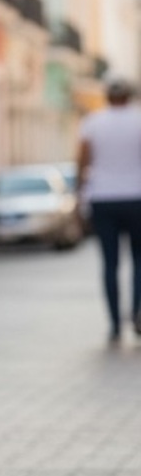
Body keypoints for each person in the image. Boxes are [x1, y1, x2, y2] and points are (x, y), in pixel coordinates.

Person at [76, 77, 141, 344]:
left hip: (102, 198)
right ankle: (137, 313)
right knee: (140, 260)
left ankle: (115, 324)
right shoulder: (139, 120)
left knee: (110, 263)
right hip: (137, 196)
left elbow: (83, 160)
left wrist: (78, 195)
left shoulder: (93, 122)